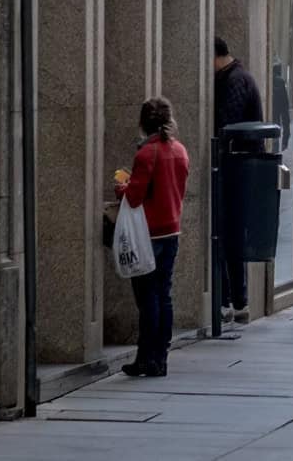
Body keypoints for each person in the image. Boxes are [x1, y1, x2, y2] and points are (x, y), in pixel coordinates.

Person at [117, 97, 190, 378]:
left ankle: (145, 358)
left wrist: (121, 188)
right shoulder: (180, 151)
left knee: (147, 298)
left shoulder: (147, 154)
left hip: (148, 234)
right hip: (172, 230)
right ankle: (160, 358)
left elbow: (135, 197)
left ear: (142, 123)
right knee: (163, 294)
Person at [213, 37, 264, 324]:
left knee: (228, 234)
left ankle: (232, 300)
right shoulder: (235, 77)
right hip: (239, 167)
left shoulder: (235, 80)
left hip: (237, 169)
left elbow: (226, 124)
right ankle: (235, 300)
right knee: (230, 234)